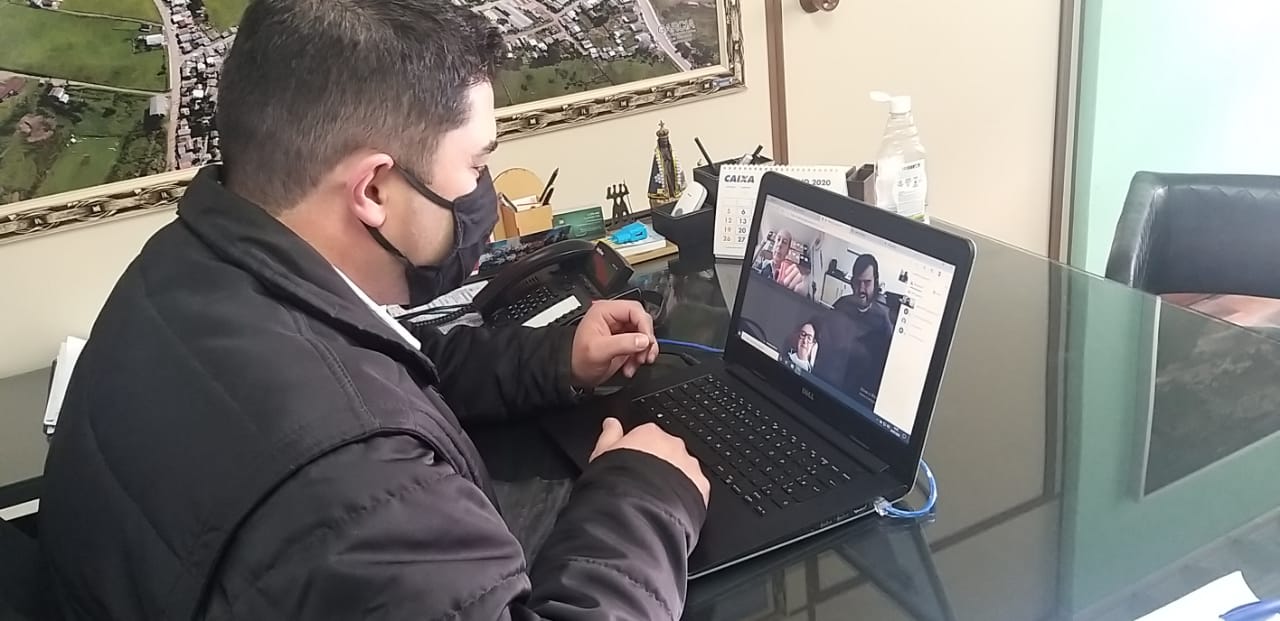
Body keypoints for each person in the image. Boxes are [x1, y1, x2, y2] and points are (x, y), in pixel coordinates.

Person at [38, 1, 710, 619]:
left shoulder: (185, 267)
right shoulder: (355, 493)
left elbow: (378, 367)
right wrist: (645, 494)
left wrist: (554, 360)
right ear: (374, 191)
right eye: (475, 166)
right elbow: (347, 423)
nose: (484, 193)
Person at [814, 254, 893, 403]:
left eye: (867, 282)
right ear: (851, 283)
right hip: (826, 384)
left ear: (876, 283)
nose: (861, 289)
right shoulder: (841, 304)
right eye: (858, 282)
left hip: (854, 398)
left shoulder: (883, 320)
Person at [759, 229, 807, 293]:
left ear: (787, 251)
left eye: (784, 242)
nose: (779, 245)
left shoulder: (790, 273)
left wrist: (802, 287)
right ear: (774, 245)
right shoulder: (762, 265)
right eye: (778, 240)